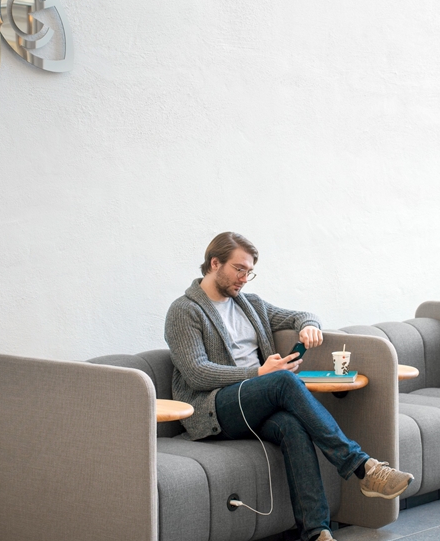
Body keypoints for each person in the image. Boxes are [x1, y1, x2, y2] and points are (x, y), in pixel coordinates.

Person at [165, 232, 413, 541]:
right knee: (282, 380)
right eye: (239, 269)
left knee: (292, 426)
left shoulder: (250, 304)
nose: (244, 278)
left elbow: (301, 315)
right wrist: (259, 372)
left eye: (249, 272)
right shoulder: (184, 310)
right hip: (212, 409)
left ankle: (317, 532)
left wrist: (309, 326)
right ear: (215, 263)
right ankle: (362, 467)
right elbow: (197, 373)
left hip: (253, 403)